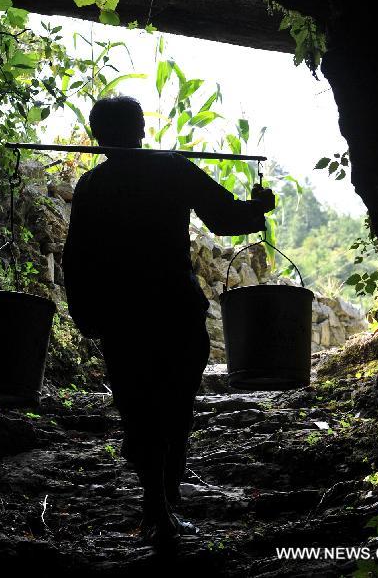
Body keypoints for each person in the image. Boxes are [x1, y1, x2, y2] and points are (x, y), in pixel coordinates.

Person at [62, 96, 275, 543]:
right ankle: (162, 504)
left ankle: (159, 502)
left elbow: (76, 259)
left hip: (124, 317)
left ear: (100, 138)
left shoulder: (93, 185)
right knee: (174, 406)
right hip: (173, 310)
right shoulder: (171, 168)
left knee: (141, 407)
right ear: (139, 130)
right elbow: (223, 217)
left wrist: (85, 313)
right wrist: (258, 209)